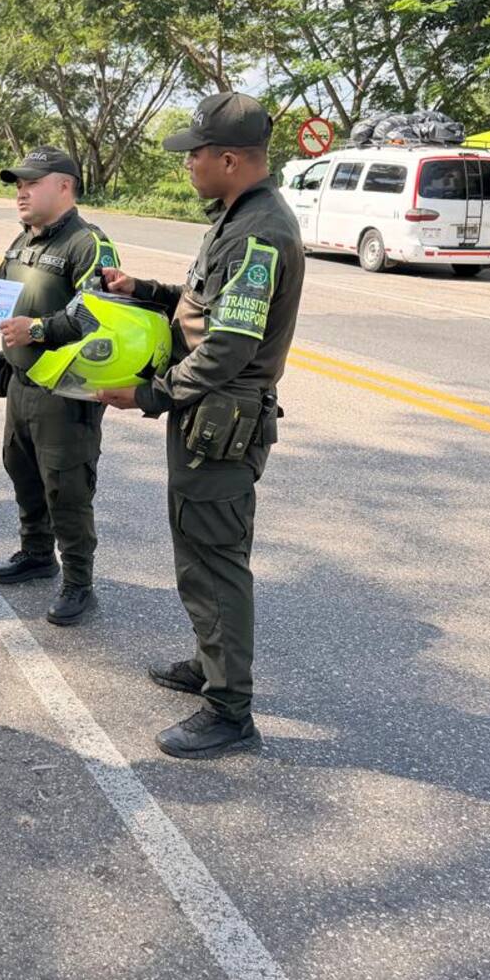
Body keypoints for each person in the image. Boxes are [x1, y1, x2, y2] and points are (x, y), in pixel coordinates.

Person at [97, 92, 305, 760]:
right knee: (198, 550)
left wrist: (151, 395)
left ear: (230, 159)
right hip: (206, 415)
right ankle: (209, 662)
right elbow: (204, 311)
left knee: (215, 561)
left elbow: (228, 348)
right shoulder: (236, 217)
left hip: (221, 414)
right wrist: (145, 291)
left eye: (195, 155)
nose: (188, 166)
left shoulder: (259, 231)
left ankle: (230, 711)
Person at [0, 148, 119, 626]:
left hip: (65, 392)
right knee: (23, 470)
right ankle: (37, 553)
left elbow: (98, 311)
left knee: (67, 487)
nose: (21, 191)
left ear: (64, 186)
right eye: (17, 184)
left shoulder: (89, 244)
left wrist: (38, 331)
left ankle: (79, 583)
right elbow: (4, 298)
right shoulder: (23, 241)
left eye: (31, 182)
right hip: (21, 383)